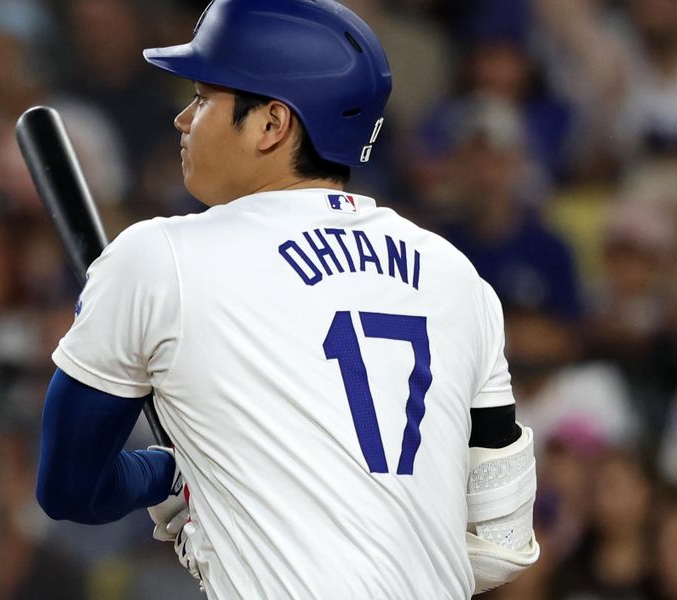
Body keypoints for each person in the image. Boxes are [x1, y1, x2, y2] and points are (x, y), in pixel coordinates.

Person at [34, 0, 540, 597]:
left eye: (203, 97)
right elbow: (503, 541)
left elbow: (69, 487)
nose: (183, 119)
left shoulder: (158, 256)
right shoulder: (459, 277)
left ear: (272, 124)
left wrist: (168, 478)